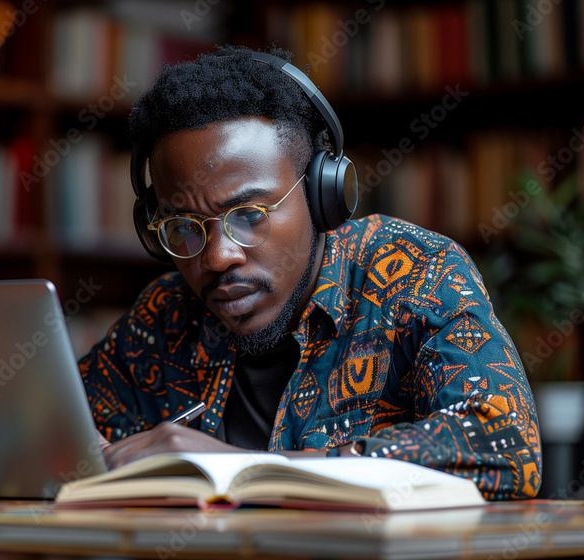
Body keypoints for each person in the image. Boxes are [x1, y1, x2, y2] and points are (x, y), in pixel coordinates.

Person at [77, 45, 542, 501]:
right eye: (184, 227)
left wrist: (247, 469)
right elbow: (51, 430)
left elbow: (504, 444)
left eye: (249, 214)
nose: (217, 258)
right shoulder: (164, 317)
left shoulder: (415, 273)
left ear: (323, 196)